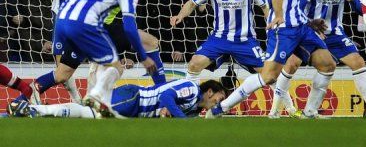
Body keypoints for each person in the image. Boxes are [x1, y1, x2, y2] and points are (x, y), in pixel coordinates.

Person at [206, 0, 336, 119]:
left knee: (327, 64)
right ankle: (221, 108)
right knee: (268, 76)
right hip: (284, 30)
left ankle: (310, 112)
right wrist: (279, 16)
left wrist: (308, 21)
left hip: (300, 27)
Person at [269, 0, 366, 118]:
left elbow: (360, 9)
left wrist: (351, 0)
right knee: (292, 64)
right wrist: (309, 24)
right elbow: (298, 7)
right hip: (310, 32)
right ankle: (275, 110)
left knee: (357, 61)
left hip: (335, 33)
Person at [49, 0, 156, 116]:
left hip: (68, 19)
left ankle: (35, 102)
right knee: (115, 67)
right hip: (90, 26)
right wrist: (143, 57)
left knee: (64, 73)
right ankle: (95, 96)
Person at [8, 79, 226, 119]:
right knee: (90, 114)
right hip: (133, 98)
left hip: (135, 108)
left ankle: (35, 111)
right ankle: (34, 110)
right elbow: (167, 95)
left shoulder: (194, 108)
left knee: (88, 115)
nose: (219, 101)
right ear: (210, 92)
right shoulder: (191, 89)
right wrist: (179, 118)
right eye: (220, 97)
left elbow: (167, 106)